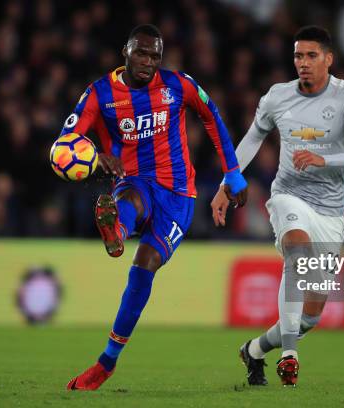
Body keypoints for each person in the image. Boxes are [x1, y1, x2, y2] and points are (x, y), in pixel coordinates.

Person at [63, 24, 248, 391]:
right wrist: (98, 156)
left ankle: (107, 361)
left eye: (155, 56)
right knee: (127, 199)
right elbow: (67, 140)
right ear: (125, 52)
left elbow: (212, 117)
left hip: (179, 194)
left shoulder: (178, 85)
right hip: (133, 180)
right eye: (141, 54)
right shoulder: (100, 93)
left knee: (145, 264)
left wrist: (233, 173)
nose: (148, 62)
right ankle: (116, 229)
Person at [211, 25, 344, 387]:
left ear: (328, 59)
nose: (303, 62)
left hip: (331, 213)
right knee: (297, 252)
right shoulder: (277, 97)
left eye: (311, 55)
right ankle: (290, 355)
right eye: (298, 55)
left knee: (312, 316)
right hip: (289, 196)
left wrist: (324, 160)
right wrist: (228, 183)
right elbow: (252, 139)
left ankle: (254, 350)